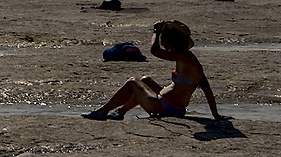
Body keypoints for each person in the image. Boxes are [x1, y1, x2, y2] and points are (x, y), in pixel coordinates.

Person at [84, 20, 221, 122]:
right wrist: (216, 115)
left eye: (166, 45)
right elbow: (207, 89)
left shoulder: (184, 57)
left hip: (165, 107)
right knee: (145, 80)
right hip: (177, 108)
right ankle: (121, 111)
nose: (166, 49)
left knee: (132, 82)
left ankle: (102, 112)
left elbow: (154, 51)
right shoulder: (192, 60)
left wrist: (156, 32)